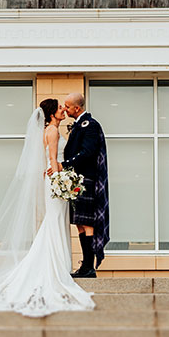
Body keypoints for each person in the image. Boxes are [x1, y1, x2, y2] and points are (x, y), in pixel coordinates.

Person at [0, 99, 94, 317]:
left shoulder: (48, 130)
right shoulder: (52, 131)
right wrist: (63, 183)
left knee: (54, 222)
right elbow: (53, 159)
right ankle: (55, 268)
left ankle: (58, 266)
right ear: (52, 113)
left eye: (65, 107)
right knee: (54, 223)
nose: (63, 110)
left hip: (52, 180)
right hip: (56, 182)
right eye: (60, 108)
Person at [61, 93, 109, 277]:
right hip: (78, 179)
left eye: (67, 106)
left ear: (77, 108)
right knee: (80, 223)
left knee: (87, 223)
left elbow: (87, 153)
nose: (65, 109)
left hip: (87, 179)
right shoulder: (80, 124)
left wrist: (65, 165)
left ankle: (89, 266)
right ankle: (85, 266)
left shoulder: (90, 125)